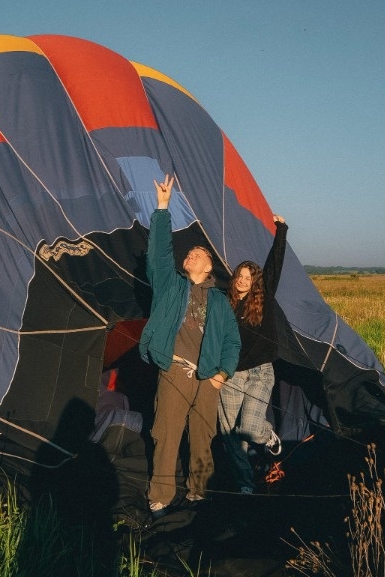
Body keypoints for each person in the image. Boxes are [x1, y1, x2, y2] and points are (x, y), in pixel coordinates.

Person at [139, 174, 241, 518]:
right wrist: (163, 208)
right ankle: (161, 495)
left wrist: (222, 373)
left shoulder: (220, 301)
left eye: (197, 252)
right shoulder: (171, 285)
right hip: (176, 369)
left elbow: (232, 341)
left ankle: (199, 491)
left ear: (208, 265)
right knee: (167, 434)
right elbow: (158, 254)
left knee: (203, 436)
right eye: (189, 252)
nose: (190, 255)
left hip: (208, 377)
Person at [218, 214, 288, 495]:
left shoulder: (264, 298)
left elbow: (274, 266)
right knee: (230, 435)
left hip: (260, 371)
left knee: (248, 427)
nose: (243, 281)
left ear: (255, 281)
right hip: (232, 372)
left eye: (249, 277)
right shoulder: (225, 303)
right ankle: (245, 482)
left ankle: (267, 434)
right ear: (234, 280)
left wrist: (281, 230)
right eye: (240, 276)